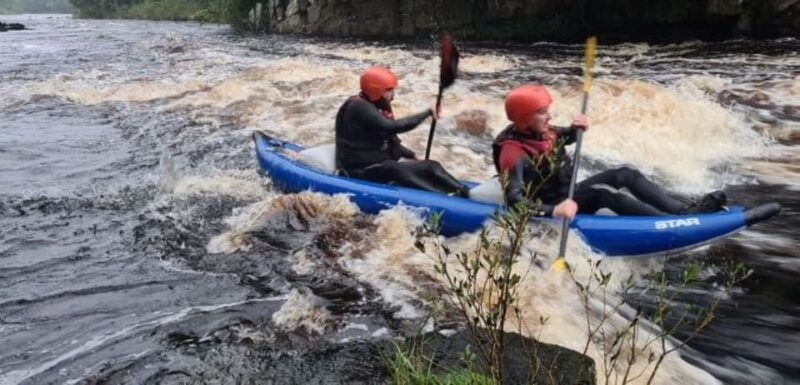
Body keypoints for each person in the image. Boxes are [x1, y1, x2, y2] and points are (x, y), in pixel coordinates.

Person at [493, 84, 726, 220]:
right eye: (542, 112)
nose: (550, 116)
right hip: (552, 203)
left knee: (624, 174)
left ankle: (683, 211)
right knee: (603, 196)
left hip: (568, 191)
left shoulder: (539, 130)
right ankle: (666, 223)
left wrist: (576, 129)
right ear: (525, 118)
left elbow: (565, 137)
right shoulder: (512, 153)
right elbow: (514, 203)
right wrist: (554, 210)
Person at [335, 66, 470, 197]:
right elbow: (393, 127)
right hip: (358, 171)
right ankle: (444, 198)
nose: (392, 96)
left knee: (430, 165)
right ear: (375, 90)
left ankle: (465, 192)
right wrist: (428, 113)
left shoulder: (378, 106)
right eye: (389, 91)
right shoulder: (358, 107)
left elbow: (389, 139)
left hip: (380, 165)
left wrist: (412, 155)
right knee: (394, 168)